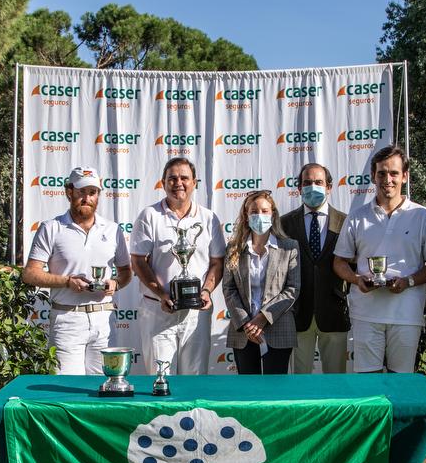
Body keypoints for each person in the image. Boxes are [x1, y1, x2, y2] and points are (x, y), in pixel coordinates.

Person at [332, 145, 426, 373]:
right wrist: (356, 280)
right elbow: (339, 262)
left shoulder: (421, 215)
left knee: (400, 382)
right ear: (373, 176)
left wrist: (408, 282)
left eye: (394, 173)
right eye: (381, 173)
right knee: (367, 382)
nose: (388, 179)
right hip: (366, 313)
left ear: (405, 176)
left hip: (407, 313)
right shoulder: (357, 216)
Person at [21, 166, 132, 374]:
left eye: (92, 192)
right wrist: (66, 281)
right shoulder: (51, 227)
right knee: (67, 389)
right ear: (69, 191)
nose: (86, 198)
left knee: (105, 386)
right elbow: (30, 274)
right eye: (81, 192)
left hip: (104, 319)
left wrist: (115, 283)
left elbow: (126, 273)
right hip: (67, 318)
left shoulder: (113, 229)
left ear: (98, 195)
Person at [130, 157, 226, 375]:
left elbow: (217, 262)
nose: (178, 183)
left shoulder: (208, 218)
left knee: (195, 378)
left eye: (184, 178)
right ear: (163, 183)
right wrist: (161, 293)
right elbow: (138, 261)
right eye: (172, 178)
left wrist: (207, 291)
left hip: (196, 313)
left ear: (194, 183)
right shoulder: (149, 216)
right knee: (161, 379)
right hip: (158, 310)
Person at [280, 163, 350, 373]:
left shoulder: (346, 222)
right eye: (307, 183)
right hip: (298, 312)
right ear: (299, 188)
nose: (313, 187)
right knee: (300, 384)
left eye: (318, 182)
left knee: (336, 382)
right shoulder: (284, 223)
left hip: (334, 311)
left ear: (329, 187)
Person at [221, 190, 300, 374]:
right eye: (254, 212)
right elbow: (228, 288)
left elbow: (292, 289)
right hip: (243, 331)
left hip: (278, 328)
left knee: (275, 392)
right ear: (246, 216)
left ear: (273, 215)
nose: (260, 215)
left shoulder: (289, 247)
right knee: (248, 393)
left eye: (265, 211)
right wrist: (247, 323)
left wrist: (262, 318)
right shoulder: (234, 249)